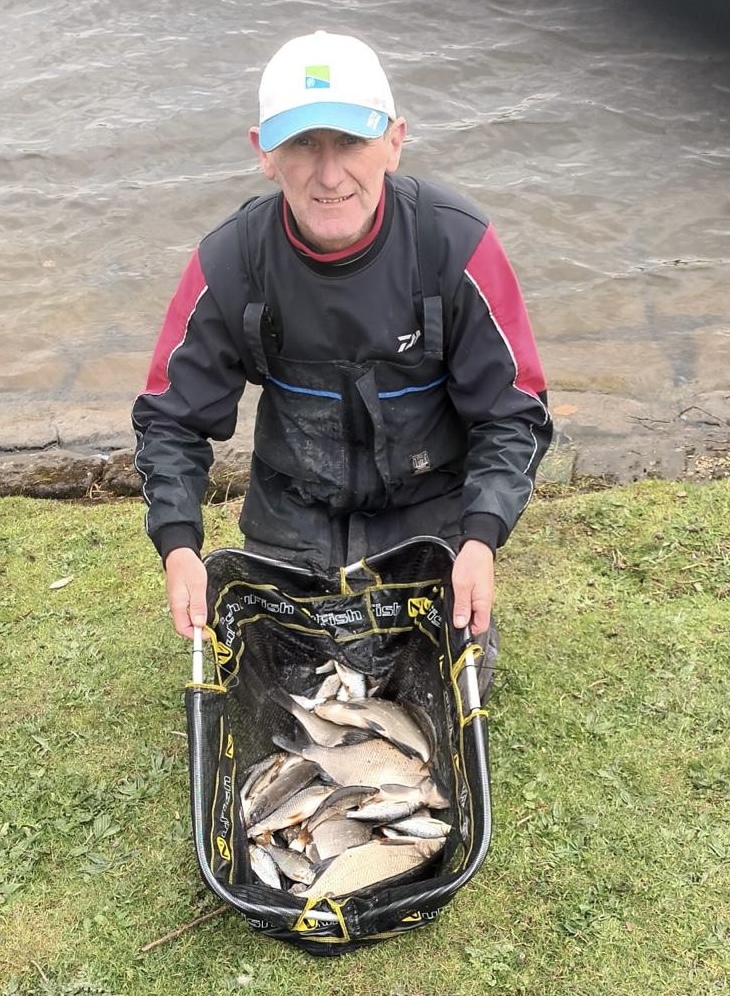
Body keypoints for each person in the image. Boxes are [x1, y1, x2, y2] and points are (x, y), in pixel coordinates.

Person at [132, 30, 553, 658]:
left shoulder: (456, 245)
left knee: (436, 665)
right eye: (303, 143)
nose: (330, 175)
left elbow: (514, 413)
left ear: (394, 141)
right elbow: (169, 420)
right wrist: (179, 543)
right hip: (292, 518)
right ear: (264, 153)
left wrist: (480, 538)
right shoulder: (230, 260)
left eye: (352, 141)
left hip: (428, 520)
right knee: (287, 672)